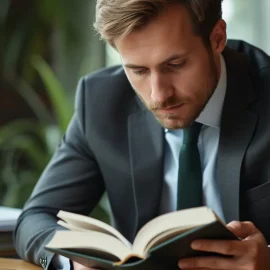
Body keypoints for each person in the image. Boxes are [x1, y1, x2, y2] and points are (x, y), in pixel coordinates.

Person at [14, 0, 270, 269]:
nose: (158, 95)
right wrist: (70, 263)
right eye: (138, 70)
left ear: (217, 38)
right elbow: (33, 220)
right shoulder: (101, 102)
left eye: (175, 64)